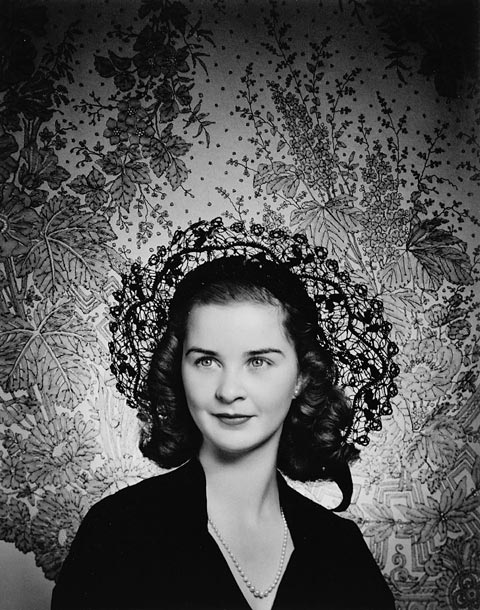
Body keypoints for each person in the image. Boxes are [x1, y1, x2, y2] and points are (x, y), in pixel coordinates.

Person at [52, 219, 398, 610]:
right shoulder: (118, 533)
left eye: (259, 362)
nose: (229, 390)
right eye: (206, 362)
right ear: (177, 370)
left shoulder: (341, 550)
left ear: (301, 376)